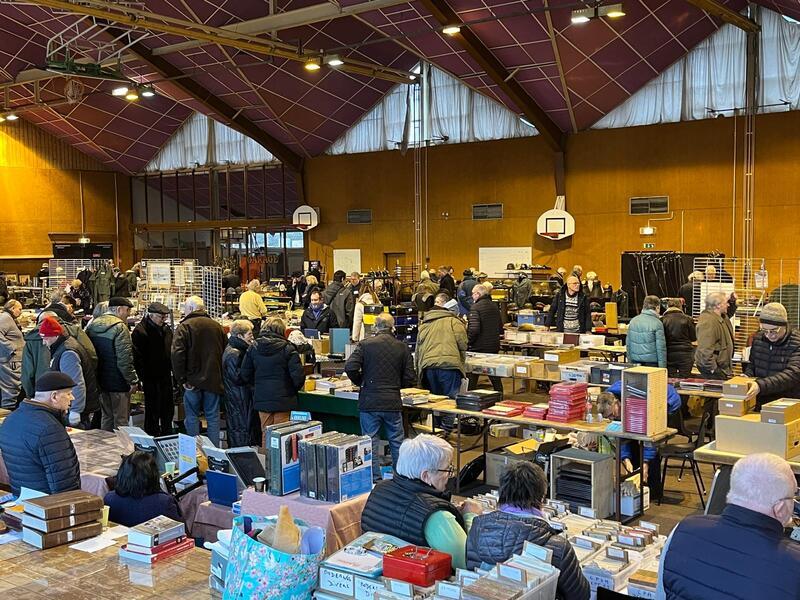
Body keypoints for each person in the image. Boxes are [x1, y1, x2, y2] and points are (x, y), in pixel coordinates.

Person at [656, 453, 800, 600]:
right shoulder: (794, 562)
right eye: (793, 497)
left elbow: (661, 594)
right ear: (780, 508)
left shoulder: (683, 529)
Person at [466, 462, 590, 600]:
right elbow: (581, 595)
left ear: (501, 492)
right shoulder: (558, 547)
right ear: (542, 497)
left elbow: (472, 576)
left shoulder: (476, 528)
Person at [361, 434, 482, 569]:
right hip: (417, 580)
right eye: (447, 469)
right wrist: (471, 517)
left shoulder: (380, 489)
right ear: (426, 476)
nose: (450, 475)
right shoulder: (436, 516)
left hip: (375, 569)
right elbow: (465, 562)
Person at [345, 313, 415, 481]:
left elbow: (350, 366)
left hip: (369, 400)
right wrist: (397, 385)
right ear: (392, 327)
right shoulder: (402, 347)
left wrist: (361, 381)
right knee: (397, 441)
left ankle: (374, 479)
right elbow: (410, 376)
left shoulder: (365, 345)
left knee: (370, 443)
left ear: (375, 327)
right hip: (392, 401)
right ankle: (401, 478)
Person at [0, 372, 81, 495]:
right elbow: (64, 480)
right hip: (46, 505)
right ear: (54, 396)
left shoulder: (10, 420)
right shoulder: (50, 428)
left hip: (21, 500)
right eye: (68, 393)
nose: (72, 398)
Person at [171, 296, 227, 446]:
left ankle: (195, 454)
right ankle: (214, 454)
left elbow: (177, 354)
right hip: (213, 379)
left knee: (192, 417)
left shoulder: (184, 327)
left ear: (190, 309)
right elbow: (224, 351)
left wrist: (181, 379)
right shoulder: (216, 326)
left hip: (191, 380)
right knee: (213, 417)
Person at [241, 317, 304, 443]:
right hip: (284, 399)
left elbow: (245, 374)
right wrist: (291, 390)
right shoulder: (288, 349)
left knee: (266, 435)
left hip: (262, 398)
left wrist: (257, 386)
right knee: (283, 436)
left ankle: (267, 461)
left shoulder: (253, 348)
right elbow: (298, 377)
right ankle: (280, 462)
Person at [86, 297, 138, 431]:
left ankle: (107, 450)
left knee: (106, 417)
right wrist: (132, 381)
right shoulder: (120, 327)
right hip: (118, 381)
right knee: (121, 421)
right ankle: (123, 451)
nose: (129, 314)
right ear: (119, 309)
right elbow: (124, 358)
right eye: (127, 310)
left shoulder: (92, 325)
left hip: (100, 380)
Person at [39, 316, 98, 428]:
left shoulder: (68, 353)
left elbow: (77, 383)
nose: (43, 342)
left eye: (46, 338)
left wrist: (76, 411)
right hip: (72, 406)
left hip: (77, 410)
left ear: (56, 335)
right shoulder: (63, 346)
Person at [744, 302, 800, 409]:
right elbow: (753, 365)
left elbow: (792, 374)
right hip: (761, 401)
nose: (769, 335)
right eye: (765, 330)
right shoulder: (758, 339)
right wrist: (747, 376)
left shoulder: (796, 342)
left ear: (784, 325)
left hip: (787, 402)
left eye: (774, 331)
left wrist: (760, 385)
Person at [104, 451, 181, 527]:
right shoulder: (163, 502)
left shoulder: (109, 499)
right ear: (153, 475)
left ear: (122, 473)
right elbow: (183, 532)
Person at [131, 302, 174, 436]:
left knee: (167, 410)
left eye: (165, 317)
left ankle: (167, 436)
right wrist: (142, 378)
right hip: (150, 377)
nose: (164, 320)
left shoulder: (166, 329)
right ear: (151, 316)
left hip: (165, 375)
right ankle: (153, 439)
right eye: (161, 317)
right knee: (152, 411)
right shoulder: (140, 331)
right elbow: (137, 358)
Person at [416, 292, 467, 398]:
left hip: (428, 367)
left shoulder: (425, 323)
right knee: (451, 402)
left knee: (434, 401)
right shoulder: (454, 321)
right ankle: (449, 416)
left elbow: (418, 349)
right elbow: (462, 343)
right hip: (449, 367)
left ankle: (437, 416)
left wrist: (418, 371)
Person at [223, 320, 258, 448]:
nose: (252, 337)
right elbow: (238, 377)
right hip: (239, 399)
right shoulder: (235, 353)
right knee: (242, 430)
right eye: (249, 334)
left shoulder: (237, 350)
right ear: (240, 336)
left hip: (239, 398)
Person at [467, 284, 504, 393]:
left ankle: (469, 397)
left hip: (478, 347)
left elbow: (474, 329)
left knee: (473, 373)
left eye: (473, 294)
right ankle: (500, 394)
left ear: (477, 294)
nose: (472, 296)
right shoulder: (494, 306)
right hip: (493, 345)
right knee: (494, 374)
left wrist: (468, 342)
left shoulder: (475, 308)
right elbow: (500, 327)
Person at [695, 292, 734, 379]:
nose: (728, 305)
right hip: (714, 370)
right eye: (726, 303)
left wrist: (733, 301)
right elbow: (705, 350)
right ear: (718, 305)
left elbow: (729, 313)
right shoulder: (708, 322)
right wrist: (713, 369)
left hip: (719, 367)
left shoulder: (720, 317)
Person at [21, 311, 58, 401]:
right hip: (64, 391)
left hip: (41, 390)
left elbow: (27, 373)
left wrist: (30, 395)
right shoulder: (69, 335)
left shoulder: (31, 340)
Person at [627, 295, 667, 368]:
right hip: (652, 364)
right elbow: (661, 348)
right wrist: (663, 368)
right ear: (657, 307)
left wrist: (630, 363)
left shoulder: (633, 321)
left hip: (635, 362)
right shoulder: (657, 323)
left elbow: (628, 345)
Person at [662, 297, 696, 377]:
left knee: (670, 380)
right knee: (685, 379)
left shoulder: (662, 320)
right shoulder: (688, 319)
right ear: (680, 307)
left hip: (669, 353)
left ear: (668, 307)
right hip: (685, 353)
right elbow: (693, 337)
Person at [0, 299, 24, 408]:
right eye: (20, 309)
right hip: (10, 360)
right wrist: (11, 348)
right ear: (12, 308)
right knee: (11, 388)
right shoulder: (5, 318)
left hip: (12, 359)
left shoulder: (9, 318)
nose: (21, 312)